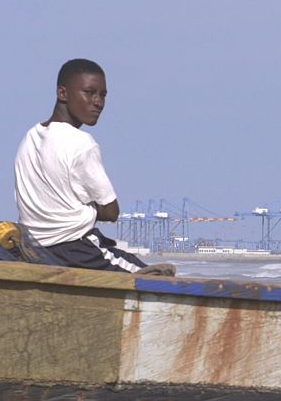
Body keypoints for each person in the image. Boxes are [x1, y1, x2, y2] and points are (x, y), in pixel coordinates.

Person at [13, 58, 173, 275]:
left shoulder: (30, 138)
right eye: (89, 93)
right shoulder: (81, 143)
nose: (98, 102)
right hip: (76, 248)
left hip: (34, 247)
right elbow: (111, 211)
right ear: (62, 93)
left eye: (103, 95)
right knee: (160, 277)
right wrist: (82, 209)